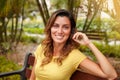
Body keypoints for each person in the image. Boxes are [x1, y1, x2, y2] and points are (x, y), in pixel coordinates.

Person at [30, 9, 117, 80]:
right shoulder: (42, 47)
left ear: (71, 31)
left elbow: (111, 75)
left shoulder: (74, 55)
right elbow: (32, 77)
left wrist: (89, 44)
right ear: (50, 28)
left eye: (65, 27)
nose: (60, 31)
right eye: (56, 26)